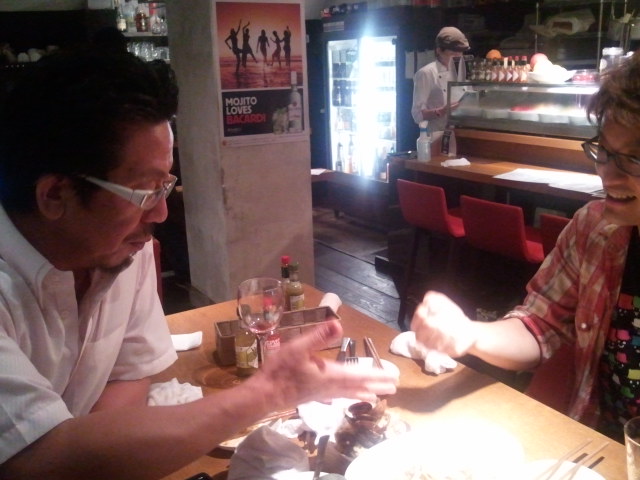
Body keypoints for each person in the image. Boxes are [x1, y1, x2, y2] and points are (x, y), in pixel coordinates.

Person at [0, 47, 398, 479]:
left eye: (164, 186)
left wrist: (100, 455)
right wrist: (269, 392)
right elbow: (36, 459)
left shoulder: (121, 249)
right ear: (55, 195)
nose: (160, 214)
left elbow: (127, 376)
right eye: (144, 192)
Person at [410, 51, 640, 442]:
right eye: (604, 151)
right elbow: (540, 324)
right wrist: (469, 334)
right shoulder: (594, 229)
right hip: (602, 449)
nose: (607, 173)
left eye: (633, 157)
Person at [411, 26, 469, 135]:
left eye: (460, 52)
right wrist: (442, 111)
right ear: (439, 51)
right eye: (453, 53)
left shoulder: (460, 71)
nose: (458, 56)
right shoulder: (426, 73)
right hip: (437, 136)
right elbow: (417, 115)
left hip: (460, 133)